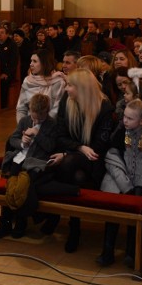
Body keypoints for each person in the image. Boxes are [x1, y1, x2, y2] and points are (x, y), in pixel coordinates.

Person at [0, 93, 76, 239]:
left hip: (37, 162)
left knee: (23, 184)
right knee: (12, 183)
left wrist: (37, 134)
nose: (35, 119)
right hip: (19, 159)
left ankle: (20, 221)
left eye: (39, 117)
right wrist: (22, 142)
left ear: (46, 112)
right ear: (30, 110)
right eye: (33, 116)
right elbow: (13, 139)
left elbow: (50, 147)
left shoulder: (52, 124)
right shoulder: (25, 120)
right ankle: (6, 221)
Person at [54, 69, 115, 253]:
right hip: (75, 155)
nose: (66, 89)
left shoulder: (104, 106)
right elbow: (59, 135)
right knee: (77, 177)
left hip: (96, 159)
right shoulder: (67, 102)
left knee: (68, 164)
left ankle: (66, 221)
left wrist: (70, 153)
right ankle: (74, 224)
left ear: (82, 88)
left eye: (70, 85)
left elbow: (99, 146)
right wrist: (78, 148)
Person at [99, 99, 142, 267]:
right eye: (124, 117)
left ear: (141, 121)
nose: (125, 121)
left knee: (136, 219)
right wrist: (124, 184)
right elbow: (111, 159)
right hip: (120, 183)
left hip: (141, 184)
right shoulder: (119, 135)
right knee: (112, 216)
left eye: (130, 118)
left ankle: (132, 252)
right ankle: (107, 251)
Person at [16, 49, 66, 121]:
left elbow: (55, 110)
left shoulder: (58, 82)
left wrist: (38, 128)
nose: (31, 64)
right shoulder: (27, 81)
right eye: (31, 61)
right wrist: (22, 126)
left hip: (49, 125)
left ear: (44, 63)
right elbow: (21, 108)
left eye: (35, 61)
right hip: (28, 124)